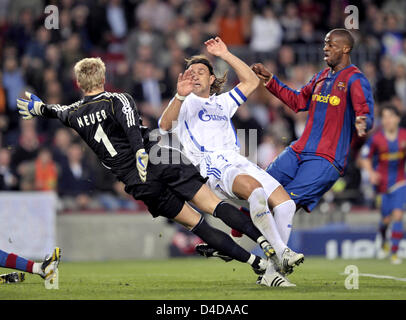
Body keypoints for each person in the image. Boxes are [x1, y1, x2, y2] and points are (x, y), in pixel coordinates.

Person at [17, 57, 294, 287]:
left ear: (78, 83)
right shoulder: (117, 99)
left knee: (196, 225)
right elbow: (131, 127)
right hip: (157, 158)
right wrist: (139, 151)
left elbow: (56, 111)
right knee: (213, 205)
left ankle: (258, 265)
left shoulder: (74, 113)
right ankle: (265, 243)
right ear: (104, 77)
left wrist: (39, 108)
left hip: (136, 182)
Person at [205, 29, 374, 271]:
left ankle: (274, 268)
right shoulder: (321, 77)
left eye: (331, 45)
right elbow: (297, 102)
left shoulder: (356, 80)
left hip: (326, 159)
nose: (325, 48)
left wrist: (363, 121)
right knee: (258, 187)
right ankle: (248, 225)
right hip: (299, 150)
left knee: (283, 205)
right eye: (325, 44)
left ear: (345, 49)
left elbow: (365, 111)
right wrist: (270, 80)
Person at [158, 37, 304, 283]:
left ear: (211, 79)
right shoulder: (185, 102)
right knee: (255, 192)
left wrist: (225, 53)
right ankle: (281, 252)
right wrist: (179, 96)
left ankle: (272, 273)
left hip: (238, 161)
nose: (194, 75)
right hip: (212, 165)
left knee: (286, 205)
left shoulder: (221, 102)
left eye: (201, 72)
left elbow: (251, 81)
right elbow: (163, 125)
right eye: (190, 72)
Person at [360, 105, 405, 265]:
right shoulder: (376, 138)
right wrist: (371, 173)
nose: (387, 120)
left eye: (390, 116)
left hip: (400, 182)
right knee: (386, 219)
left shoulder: (404, 136)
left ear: (397, 119)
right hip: (382, 183)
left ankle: (394, 253)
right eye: (384, 117)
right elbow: (364, 157)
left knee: (398, 215)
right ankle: (384, 240)